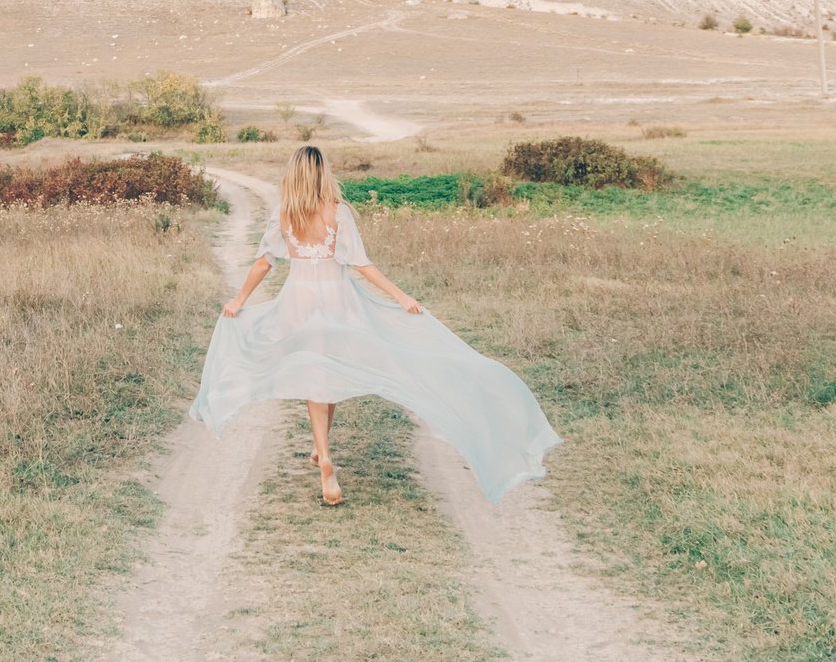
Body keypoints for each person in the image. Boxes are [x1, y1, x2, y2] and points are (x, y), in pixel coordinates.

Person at [189, 145, 561, 506]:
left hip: (298, 300)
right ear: (323, 174)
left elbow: (263, 263)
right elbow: (362, 264)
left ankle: (323, 453)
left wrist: (240, 300)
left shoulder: (284, 214)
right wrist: (400, 296)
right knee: (326, 373)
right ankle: (322, 452)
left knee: (315, 376)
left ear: (293, 174)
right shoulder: (339, 213)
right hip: (337, 298)